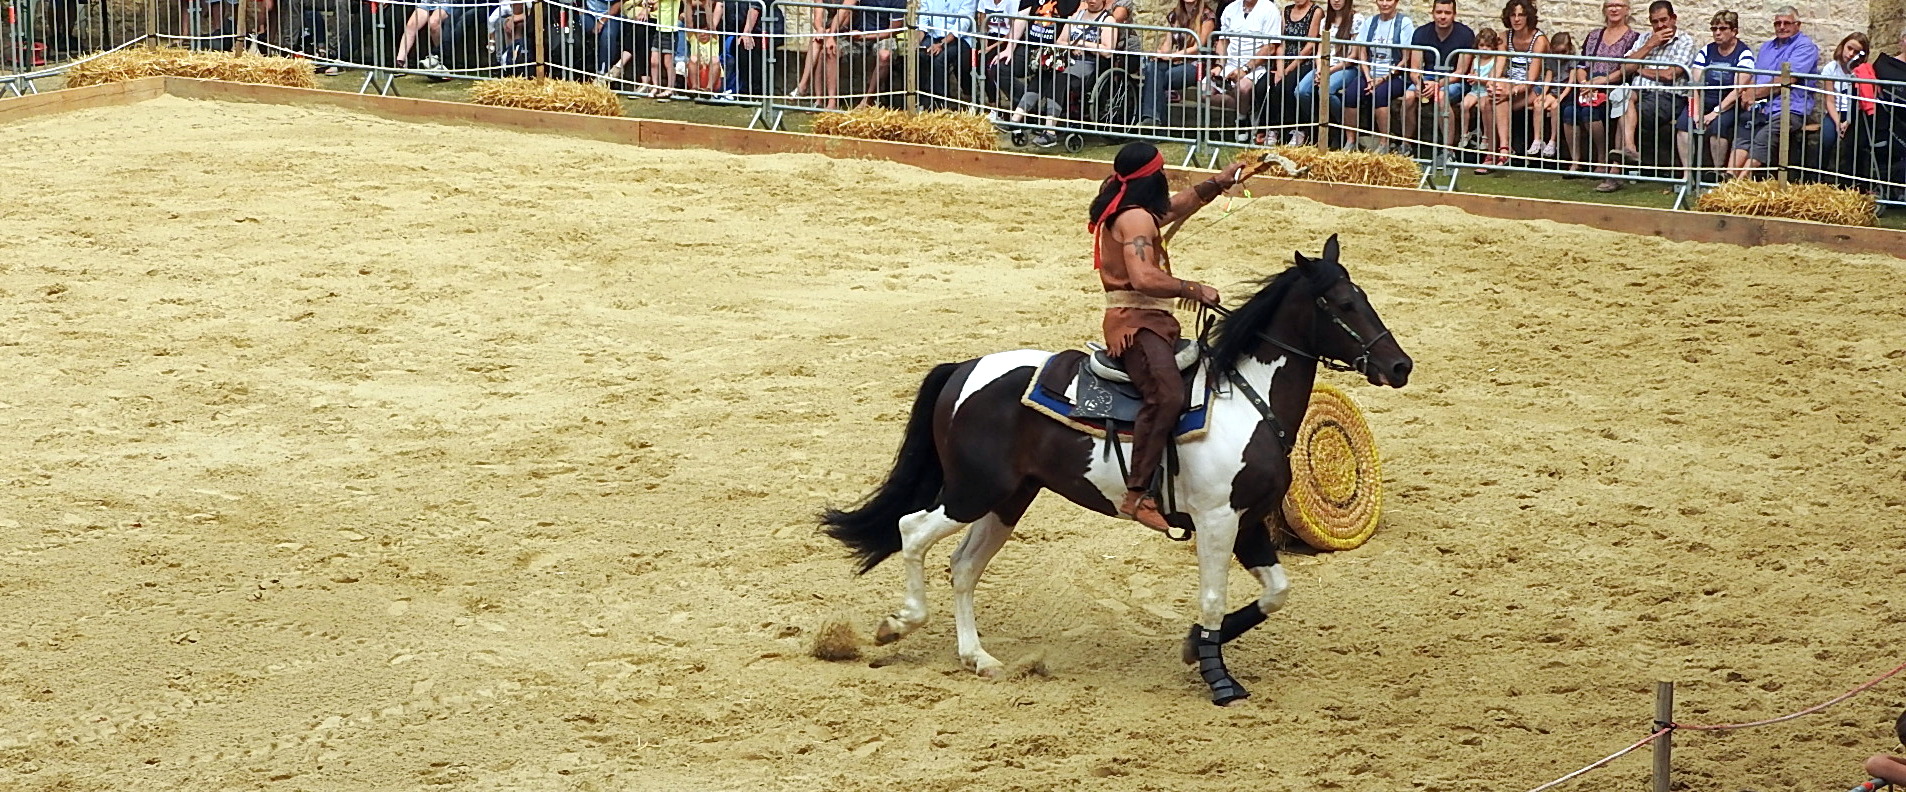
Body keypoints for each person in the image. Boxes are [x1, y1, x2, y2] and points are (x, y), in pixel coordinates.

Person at [1089, 142, 1252, 532]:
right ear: (1151, 179)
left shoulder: (1134, 210)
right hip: (1136, 325)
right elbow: (1144, 277)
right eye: (1161, 173)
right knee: (1167, 394)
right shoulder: (1135, 219)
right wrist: (1192, 288)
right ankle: (1137, 494)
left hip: (1151, 320)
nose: (1165, 179)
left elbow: (1175, 208)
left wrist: (1218, 182)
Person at [1005, 0, 1116, 147]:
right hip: (1068, 59)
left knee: (1060, 79)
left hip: (1088, 64)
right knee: (1044, 74)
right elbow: (1060, 41)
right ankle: (1016, 119)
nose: (1092, 1)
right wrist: (1073, 46)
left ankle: (1050, 131)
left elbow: (1108, 50)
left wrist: (1083, 44)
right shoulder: (1077, 16)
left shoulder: (1108, 20)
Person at [1727, 6, 1818, 178]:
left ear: (1797, 25)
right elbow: (1756, 76)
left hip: (1789, 108)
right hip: (1762, 106)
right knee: (1744, 129)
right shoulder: (1767, 47)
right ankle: (1728, 178)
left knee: (1763, 136)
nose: (1781, 27)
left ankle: (1739, 184)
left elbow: (1786, 79)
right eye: (1778, 23)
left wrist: (1754, 94)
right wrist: (1746, 92)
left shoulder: (1805, 47)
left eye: (1786, 23)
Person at [1560, 0, 1639, 192]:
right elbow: (1582, 64)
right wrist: (1585, 83)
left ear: (1627, 10)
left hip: (1613, 87)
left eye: (1619, 5)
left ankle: (1602, 159)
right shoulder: (1594, 36)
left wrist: (1601, 83)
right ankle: (1576, 161)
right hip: (1589, 85)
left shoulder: (1633, 38)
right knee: (1569, 111)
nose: (1614, 9)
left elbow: (1626, 70)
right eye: (1610, 5)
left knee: (1590, 111)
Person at [1674, 10, 1755, 181]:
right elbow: (1695, 84)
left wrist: (1716, 112)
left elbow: (1738, 89)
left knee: (1718, 127)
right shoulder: (1707, 50)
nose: (1717, 33)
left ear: (1734, 31)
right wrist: (1696, 112)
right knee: (1684, 124)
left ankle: (1717, 174)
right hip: (1703, 98)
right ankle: (1687, 175)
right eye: (1714, 29)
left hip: (1727, 102)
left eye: (1723, 29)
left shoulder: (1744, 54)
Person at [1613, 0, 1695, 164]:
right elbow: (1625, 68)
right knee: (1620, 98)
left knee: (1630, 111)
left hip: (1666, 95)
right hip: (1637, 90)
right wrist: (1649, 45)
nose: (1660, 26)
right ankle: (1629, 150)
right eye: (1655, 22)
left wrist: (1639, 69)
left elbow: (1670, 75)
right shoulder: (1645, 39)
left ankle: (1618, 168)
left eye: (1664, 20)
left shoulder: (1685, 42)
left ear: (1673, 19)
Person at [1475, 0, 1545, 170]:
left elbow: (1531, 79)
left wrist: (1511, 90)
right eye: (1513, 15)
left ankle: (1497, 152)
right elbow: (1498, 68)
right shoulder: (1504, 37)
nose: (1516, 19)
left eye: (1521, 15)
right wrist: (1492, 83)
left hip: (1533, 87)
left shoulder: (1539, 40)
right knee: (1489, 100)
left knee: (1495, 101)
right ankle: (1501, 151)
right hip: (1509, 84)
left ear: (1528, 17)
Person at [1340, 0, 1413, 152]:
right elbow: (1362, 52)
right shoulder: (1370, 22)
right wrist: (1368, 77)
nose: (1385, 4)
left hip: (1395, 76)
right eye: (1381, 0)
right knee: (1350, 93)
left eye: (1389, 0)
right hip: (1371, 74)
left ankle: (1383, 143)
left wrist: (1384, 78)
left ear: (1396, 2)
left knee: (1380, 94)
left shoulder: (1404, 23)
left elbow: (1406, 58)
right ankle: (1350, 140)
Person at [1405, 0, 1476, 152]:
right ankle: (1406, 144)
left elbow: (1460, 72)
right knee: (1408, 97)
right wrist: (1420, 84)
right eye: (1439, 12)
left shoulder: (1465, 34)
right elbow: (1414, 69)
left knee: (1441, 97)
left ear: (1454, 15)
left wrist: (1437, 85)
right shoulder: (1421, 33)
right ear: (1432, 13)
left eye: (1447, 13)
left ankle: (1447, 150)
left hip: (1454, 81)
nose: (1442, 16)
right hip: (1428, 78)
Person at [1135, 0, 1217, 132]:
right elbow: (1167, 45)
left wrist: (1172, 56)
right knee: (1153, 67)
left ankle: (1154, 121)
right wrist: (1160, 54)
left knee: (1157, 78)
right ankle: (1153, 121)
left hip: (1198, 65)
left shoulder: (1207, 17)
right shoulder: (1174, 15)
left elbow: (1198, 47)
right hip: (1177, 62)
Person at [1293, 0, 1362, 146]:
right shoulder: (1326, 21)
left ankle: (1341, 126)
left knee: (1327, 90)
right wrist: (1320, 69)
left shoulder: (1356, 19)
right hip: (1324, 66)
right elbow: (1320, 51)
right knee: (1301, 91)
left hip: (1345, 67)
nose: (1336, 1)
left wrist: (1329, 71)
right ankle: (1318, 125)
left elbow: (1353, 56)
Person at [1209, 0, 1278, 143]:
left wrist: (1245, 69)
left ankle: (1241, 120)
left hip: (1257, 67)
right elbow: (1223, 41)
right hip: (1230, 64)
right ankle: (1246, 110)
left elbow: (1270, 47)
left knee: (1243, 87)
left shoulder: (1270, 9)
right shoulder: (1230, 8)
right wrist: (1219, 65)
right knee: (1205, 91)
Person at [1263, 0, 1324, 144]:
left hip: (1304, 61)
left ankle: (1298, 130)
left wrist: (1289, 69)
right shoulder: (1286, 11)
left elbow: (1310, 45)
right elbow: (1282, 42)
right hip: (1284, 60)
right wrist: (1280, 68)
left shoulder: (1316, 11)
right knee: (1264, 86)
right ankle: (1273, 128)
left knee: (1288, 87)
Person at [1815, 32, 1868, 168]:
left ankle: (1852, 177)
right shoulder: (1831, 68)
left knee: (1856, 143)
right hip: (1835, 112)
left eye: (1856, 52)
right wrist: (1838, 122)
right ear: (1843, 46)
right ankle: (1818, 174)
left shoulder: (1861, 71)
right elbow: (1829, 100)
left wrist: (1849, 120)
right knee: (1826, 139)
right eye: (1849, 48)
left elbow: (1860, 99)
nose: (1850, 54)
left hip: (1855, 112)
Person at [916, 0, 978, 110]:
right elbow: (923, 18)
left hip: (960, 38)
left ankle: (940, 105)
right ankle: (924, 102)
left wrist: (941, 44)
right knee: (921, 54)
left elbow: (963, 23)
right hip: (933, 35)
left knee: (940, 59)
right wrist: (917, 41)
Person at [790, 0, 850, 108]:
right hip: (830, 30)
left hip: (848, 30)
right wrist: (820, 29)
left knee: (828, 50)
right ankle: (812, 94)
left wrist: (830, 34)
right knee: (816, 42)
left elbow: (845, 14)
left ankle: (828, 100)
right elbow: (818, 14)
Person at [1458, 27, 1500, 149]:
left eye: (1488, 46)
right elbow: (1472, 73)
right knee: (1464, 105)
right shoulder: (1476, 59)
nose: (1484, 48)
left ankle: (1486, 135)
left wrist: (1478, 79)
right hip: (1475, 90)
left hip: (1486, 91)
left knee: (1483, 107)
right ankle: (1464, 133)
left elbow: (1491, 80)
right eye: (1481, 45)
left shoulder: (1494, 60)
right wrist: (1471, 77)